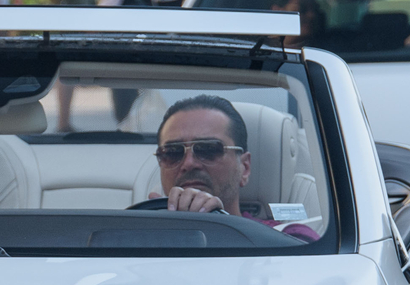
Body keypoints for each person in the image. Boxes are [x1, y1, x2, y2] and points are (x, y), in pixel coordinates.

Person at [133, 94, 320, 240]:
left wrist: (218, 225)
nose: (189, 163)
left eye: (208, 149)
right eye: (172, 152)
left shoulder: (289, 236)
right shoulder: (137, 237)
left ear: (244, 168)